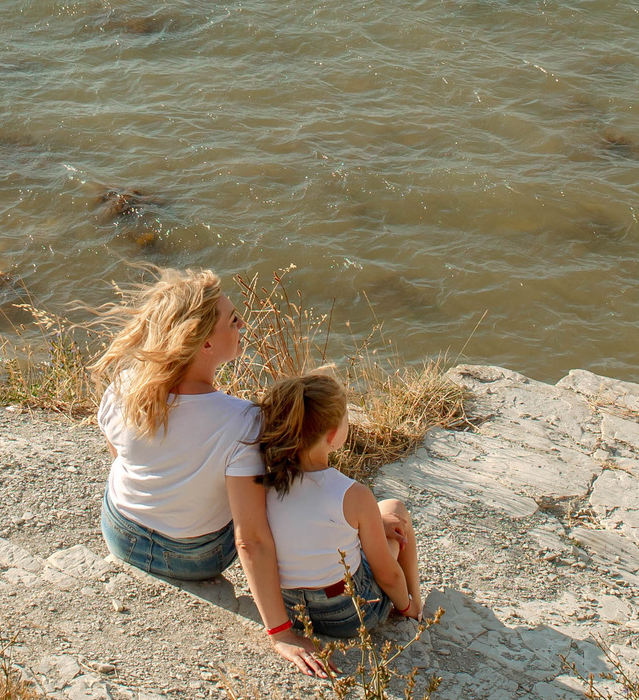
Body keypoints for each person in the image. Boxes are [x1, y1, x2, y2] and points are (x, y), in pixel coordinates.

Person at [90, 269, 327, 676]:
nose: (243, 325)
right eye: (233, 320)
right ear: (204, 343)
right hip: (195, 559)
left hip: (121, 532)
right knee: (265, 494)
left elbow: (117, 453)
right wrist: (281, 632)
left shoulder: (125, 385)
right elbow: (250, 539)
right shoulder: (243, 422)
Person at [251, 371, 423, 643]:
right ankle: (415, 606)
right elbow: (387, 574)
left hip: (288, 609)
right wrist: (403, 604)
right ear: (333, 435)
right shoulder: (352, 494)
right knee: (394, 508)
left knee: (373, 523)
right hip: (347, 614)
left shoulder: (263, 481)